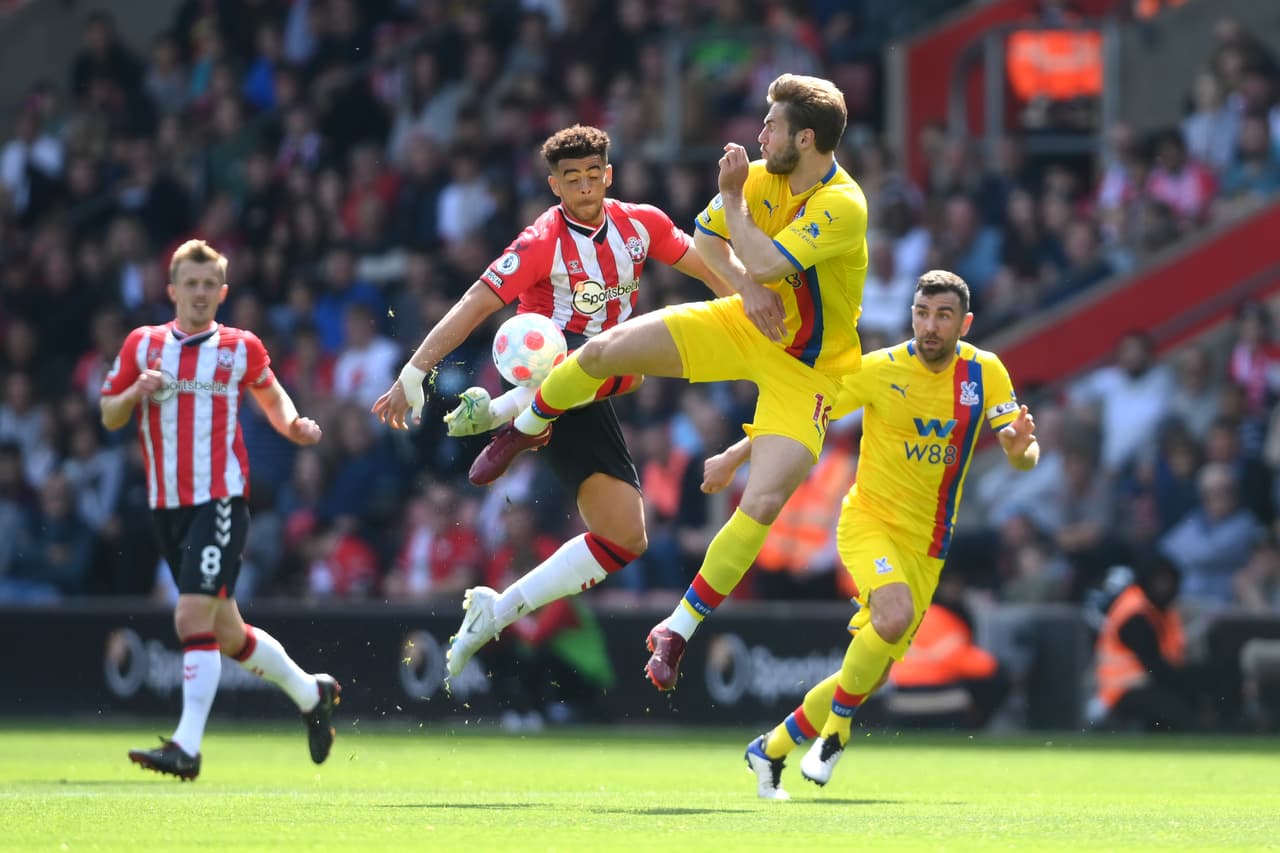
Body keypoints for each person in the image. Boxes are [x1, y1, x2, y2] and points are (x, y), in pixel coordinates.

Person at [464, 74, 869, 691]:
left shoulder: (843, 204)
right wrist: (746, 288)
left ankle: (676, 629)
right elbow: (707, 239)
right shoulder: (761, 175)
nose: (760, 135)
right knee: (604, 351)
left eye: (771, 126)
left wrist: (733, 202)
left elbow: (763, 258)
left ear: (805, 138)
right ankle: (526, 425)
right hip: (744, 326)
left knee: (762, 503)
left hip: (809, 367)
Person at [370, 125, 734, 677]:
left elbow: (707, 267)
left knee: (626, 537)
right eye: (572, 178)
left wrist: (752, 306)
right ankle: (511, 412)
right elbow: (476, 302)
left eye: (593, 175)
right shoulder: (541, 240)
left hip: (591, 385)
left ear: (608, 176)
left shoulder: (642, 224)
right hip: (552, 367)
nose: (584, 186)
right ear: (554, 185)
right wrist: (415, 371)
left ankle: (496, 609)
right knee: (629, 368)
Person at [702, 271, 1038, 798]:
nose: (930, 326)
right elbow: (799, 411)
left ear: (965, 323)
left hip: (929, 544)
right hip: (869, 522)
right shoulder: (879, 369)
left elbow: (1023, 450)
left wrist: (1021, 452)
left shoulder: (984, 373)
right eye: (922, 313)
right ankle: (835, 734)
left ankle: (770, 748)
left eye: (943, 316)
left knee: (872, 674)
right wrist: (735, 455)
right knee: (893, 617)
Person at [101, 240, 340, 781]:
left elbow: (272, 396)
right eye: (191, 283)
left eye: (210, 284)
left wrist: (293, 425)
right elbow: (110, 414)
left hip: (220, 499)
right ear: (172, 290)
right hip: (167, 506)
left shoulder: (240, 347)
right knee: (228, 635)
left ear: (223, 292)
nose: (200, 292)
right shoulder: (143, 345)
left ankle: (186, 747)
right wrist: (135, 393)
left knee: (191, 616)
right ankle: (312, 693)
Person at [1093, 551, 1192, 732]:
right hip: (1123, 690)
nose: (1164, 587)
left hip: (1145, 684)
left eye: (1168, 581)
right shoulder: (1136, 614)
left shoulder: (1158, 609)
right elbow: (1154, 664)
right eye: (1160, 581)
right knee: (1175, 712)